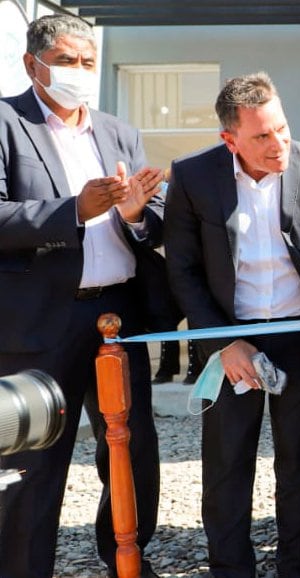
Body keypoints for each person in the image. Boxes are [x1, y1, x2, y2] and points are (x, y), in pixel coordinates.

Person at [164, 71, 300, 578]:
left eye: (282, 129)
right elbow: (181, 270)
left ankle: (296, 566)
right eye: (260, 136)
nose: (277, 145)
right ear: (229, 139)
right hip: (231, 335)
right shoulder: (192, 177)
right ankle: (231, 569)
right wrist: (223, 341)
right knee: (227, 465)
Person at [0, 14, 167, 578]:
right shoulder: (4, 121)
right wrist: (73, 210)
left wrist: (138, 214)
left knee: (133, 450)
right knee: (35, 463)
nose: (80, 73)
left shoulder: (118, 131)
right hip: (41, 323)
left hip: (117, 314)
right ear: (33, 64)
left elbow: (152, 225)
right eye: (68, 61)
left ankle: (124, 557)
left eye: (89, 62)